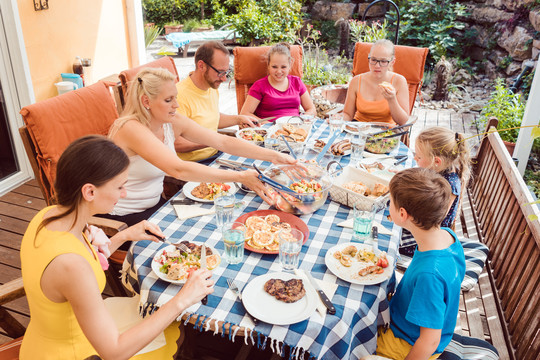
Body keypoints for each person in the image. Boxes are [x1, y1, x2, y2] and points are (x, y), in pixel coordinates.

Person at [20, 135, 213, 359]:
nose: (124, 194)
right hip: (77, 352)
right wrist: (182, 300)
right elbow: (114, 352)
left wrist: (125, 235)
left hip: (54, 336)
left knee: (163, 316)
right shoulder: (71, 265)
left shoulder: (48, 216)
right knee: (170, 317)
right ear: (89, 192)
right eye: (120, 186)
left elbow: (83, 267)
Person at [105, 67, 296, 227]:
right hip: (124, 218)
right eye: (168, 100)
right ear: (146, 102)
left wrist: (274, 156)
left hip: (157, 207)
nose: (176, 105)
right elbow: (177, 169)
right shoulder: (130, 128)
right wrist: (240, 177)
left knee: (224, 222)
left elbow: (222, 141)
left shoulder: (170, 120)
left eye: (176, 98)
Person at [362, 168, 465, 360]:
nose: (387, 206)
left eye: (389, 202)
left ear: (402, 214)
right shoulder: (447, 236)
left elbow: (430, 340)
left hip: (405, 343)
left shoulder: (430, 275)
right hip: (406, 322)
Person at [175, 41, 258, 163]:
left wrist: (239, 119)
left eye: (226, 72)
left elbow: (212, 118)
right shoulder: (178, 96)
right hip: (196, 163)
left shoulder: (211, 86)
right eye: (220, 72)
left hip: (216, 154)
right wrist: (214, 140)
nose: (224, 79)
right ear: (201, 66)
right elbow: (177, 143)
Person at [399, 127, 471, 258]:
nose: (415, 158)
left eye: (419, 157)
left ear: (437, 161)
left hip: (427, 240)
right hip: (423, 230)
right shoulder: (439, 170)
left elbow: (430, 220)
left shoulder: (448, 186)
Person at [240, 43, 316, 122]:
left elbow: (311, 109)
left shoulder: (297, 82)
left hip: (296, 128)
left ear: (289, 65)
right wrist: (267, 125)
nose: (279, 71)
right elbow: (245, 113)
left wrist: (302, 120)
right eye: (274, 67)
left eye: (283, 67)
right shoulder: (259, 86)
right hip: (270, 130)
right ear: (268, 65)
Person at [342, 39, 409, 125]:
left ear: (392, 62)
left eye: (383, 61)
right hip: (358, 129)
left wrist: (392, 100)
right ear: (368, 58)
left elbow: (402, 121)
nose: (377, 66)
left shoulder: (399, 81)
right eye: (373, 60)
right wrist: (339, 119)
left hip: (385, 132)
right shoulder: (356, 81)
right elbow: (348, 114)